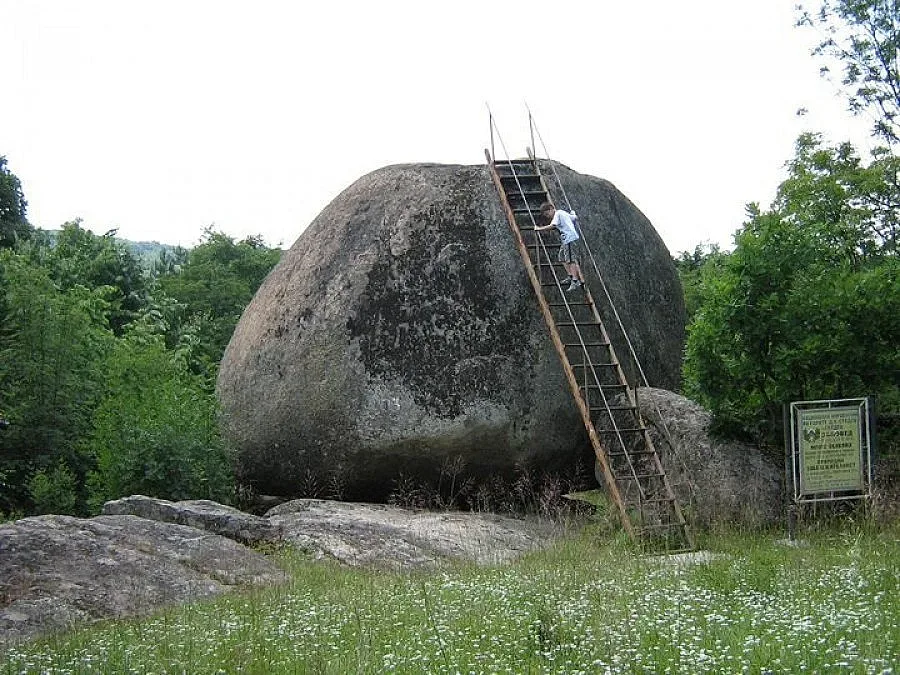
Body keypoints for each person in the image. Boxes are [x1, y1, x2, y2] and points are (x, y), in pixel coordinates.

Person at [534, 201, 585, 291]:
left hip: (569, 239)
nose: (548, 216)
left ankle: (575, 280)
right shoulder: (563, 212)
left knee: (570, 260)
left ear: (551, 209)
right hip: (567, 239)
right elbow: (574, 218)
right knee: (561, 257)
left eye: (547, 214)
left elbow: (552, 225)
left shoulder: (557, 214)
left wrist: (539, 229)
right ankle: (570, 275)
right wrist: (573, 213)